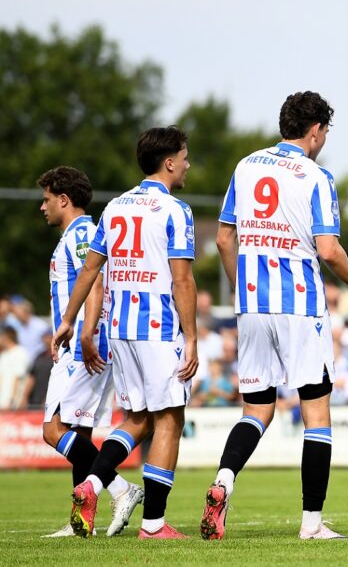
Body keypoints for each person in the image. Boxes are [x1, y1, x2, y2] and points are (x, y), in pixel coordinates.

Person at [200, 91, 348, 541]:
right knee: (316, 415)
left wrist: (243, 290)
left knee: (256, 409)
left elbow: (225, 240)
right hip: (299, 307)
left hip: (253, 305)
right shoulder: (316, 176)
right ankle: (312, 524)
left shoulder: (246, 166)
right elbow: (328, 249)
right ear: (316, 130)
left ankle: (224, 481)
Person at [52, 126, 199, 539]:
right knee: (169, 417)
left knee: (137, 418)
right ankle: (153, 524)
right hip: (159, 329)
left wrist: (68, 319)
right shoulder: (176, 211)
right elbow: (182, 281)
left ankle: (92, 483)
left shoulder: (115, 207)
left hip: (120, 330)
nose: (187, 164)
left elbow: (90, 268)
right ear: (169, 162)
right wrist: (191, 337)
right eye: (184, 157)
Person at [38, 166, 143, 538]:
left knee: (53, 431)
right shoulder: (78, 234)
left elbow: (96, 277)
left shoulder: (82, 232)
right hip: (85, 344)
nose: (42, 207)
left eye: (47, 199)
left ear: (64, 200)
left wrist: (83, 332)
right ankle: (81, 520)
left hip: (85, 346)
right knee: (77, 432)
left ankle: (119, 489)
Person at [0, 326, 29, 409]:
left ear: (6, 337)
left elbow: (18, 378)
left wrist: (12, 400)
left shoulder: (20, 352)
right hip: (2, 401)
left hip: (12, 403)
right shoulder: (3, 355)